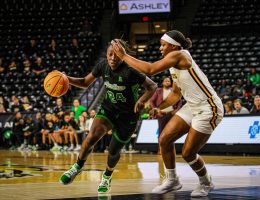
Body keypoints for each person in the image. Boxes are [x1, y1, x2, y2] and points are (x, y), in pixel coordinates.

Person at [112, 30, 224, 197]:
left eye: (163, 45)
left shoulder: (180, 55)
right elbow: (176, 94)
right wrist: (160, 108)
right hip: (192, 107)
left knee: (188, 153)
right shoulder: (173, 64)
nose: (160, 48)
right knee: (164, 139)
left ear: (173, 46)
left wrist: (124, 56)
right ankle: (172, 180)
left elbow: (150, 69)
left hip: (209, 108)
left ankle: (206, 182)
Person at [59, 39, 157, 194]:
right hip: (108, 109)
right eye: (109, 54)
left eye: (116, 55)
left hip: (128, 116)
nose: (112, 58)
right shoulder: (102, 65)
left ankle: (107, 176)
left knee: (113, 151)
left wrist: (142, 100)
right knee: (91, 137)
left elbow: (152, 86)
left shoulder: (131, 70)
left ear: (122, 55)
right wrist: (67, 78)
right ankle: (77, 167)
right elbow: (85, 82)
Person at [149, 77, 182, 154]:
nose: (167, 82)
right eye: (166, 81)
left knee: (171, 132)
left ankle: (170, 149)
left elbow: (179, 101)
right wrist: (155, 109)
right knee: (161, 132)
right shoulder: (158, 91)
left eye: (169, 81)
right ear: (163, 83)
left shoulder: (173, 91)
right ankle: (160, 149)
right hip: (161, 114)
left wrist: (177, 109)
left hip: (171, 114)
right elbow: (151, 101)